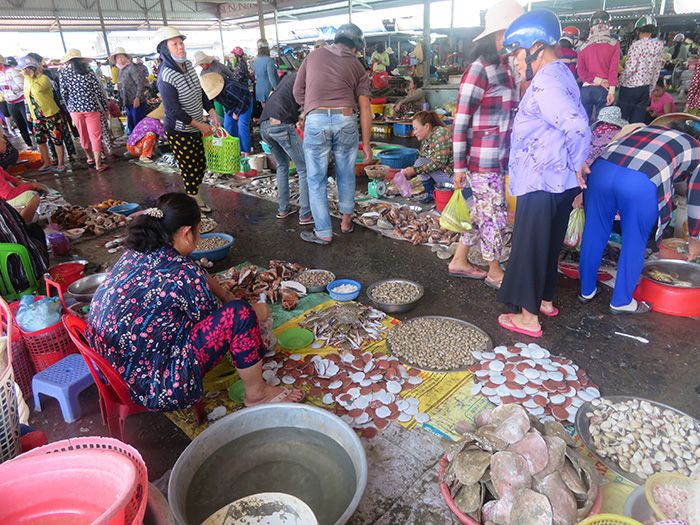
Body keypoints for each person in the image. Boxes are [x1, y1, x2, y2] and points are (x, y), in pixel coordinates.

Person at [87, 193, 303, 411]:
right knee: (240, 314)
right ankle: (257, 394)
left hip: (109, 371)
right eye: (199, 230)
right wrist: (256, 312)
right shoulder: (184, 274)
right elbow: (218, 324)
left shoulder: (136, 252)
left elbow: (191, 268)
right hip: (152, 385)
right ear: (187, 232)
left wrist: (226, 294)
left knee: (231, 307)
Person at [497, 9, 591, 338]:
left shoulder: (545, 82)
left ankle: (527, 317)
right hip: (559, 179)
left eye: (517, 54)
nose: (516, 62)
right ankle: (546, 300)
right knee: (549, 244)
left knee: (529, 246)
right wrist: (576, 164)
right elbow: (575, 122)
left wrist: (580, 159)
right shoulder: (562, 73)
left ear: (534, 46)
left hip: (541, 179)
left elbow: (577, 126)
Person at [579, 114, 700, 314]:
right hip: (640, 182)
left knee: (594, 231)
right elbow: (696, 200)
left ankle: (586, 290)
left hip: (601, 171)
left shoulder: (645, 129)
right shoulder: (696, 148)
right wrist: (696, 238)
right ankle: (621, 301)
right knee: (634, 239)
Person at [448, 0, 522, 287]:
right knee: (493, 213)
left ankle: (459, 259)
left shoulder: (510, 68)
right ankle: (494, 269)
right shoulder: (479, 69)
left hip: (503, 158)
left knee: (482, 211)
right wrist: (458, 167)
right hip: (482, 160)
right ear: (498, 34)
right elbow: (461, 120)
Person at [293, 23, 372, 245]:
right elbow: (365, 108)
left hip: (316, 121)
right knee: (345, 173)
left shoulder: (313, 55)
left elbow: (297, 90)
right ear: (355, 46)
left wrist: (310, 108)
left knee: (316, 179)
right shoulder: (357, 66)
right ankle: (346, 222)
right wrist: (366, 145)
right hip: (346, 118)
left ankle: (324, 232)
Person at [155, 26, 220, 211]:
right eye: (174, 44)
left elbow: (200, 92)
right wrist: (200, 125)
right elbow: (174, 110)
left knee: (200, 164)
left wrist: (212, 111)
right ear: (165, 49)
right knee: (190, 167)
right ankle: (195, 203)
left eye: (181, 43)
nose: (180, 47)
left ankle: (193, 195)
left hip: (196, 125)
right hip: (179, 130)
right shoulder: (165, 76)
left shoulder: (189, 66)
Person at [259, 72, 311, 223]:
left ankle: (283, 209)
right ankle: (305, 214)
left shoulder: (289, 78)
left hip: (264, 125)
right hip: (280, 124)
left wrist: (298, 119)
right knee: (304, 169)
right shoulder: (307, 79)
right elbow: (307, 105)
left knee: (282, 166)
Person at [58, 49, 110, 172]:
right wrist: (105, 107)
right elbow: (98, 91)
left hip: (74, 110)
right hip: (91, 107)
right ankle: (98, 164)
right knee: (95, 136)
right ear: (80, 59)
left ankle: (89, 158)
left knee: (83, 135)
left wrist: (69, 107)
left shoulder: (63, 73)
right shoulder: (88, 71)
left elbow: (63, 93)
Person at [18, 55, 67, 174]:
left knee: (57, 139)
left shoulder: (44, 79)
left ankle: (61, 163)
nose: (23, 72)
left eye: (26, 69)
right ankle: (47, 161)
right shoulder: (26, 81)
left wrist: (29, 78)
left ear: (33, 68)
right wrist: (28, 112)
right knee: (40, 140)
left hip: (51, 114)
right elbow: (26, 97)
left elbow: (37, 90)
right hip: (36, 116)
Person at [618, 16, 664, 123]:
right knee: (637, 121)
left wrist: (620, 81)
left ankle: (621, 138)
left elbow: (631, 68)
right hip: (645, 89)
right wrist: (651, 88)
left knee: (622, 119)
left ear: (638, 30)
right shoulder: (659, 46)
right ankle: (634, 138)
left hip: (630, 88)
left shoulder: (636, 45)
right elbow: (656, 70)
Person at [577, 10, 620, 122]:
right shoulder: (614, 44)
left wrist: (597, 80)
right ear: (608, 26)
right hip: (603, 90)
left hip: (586, 90)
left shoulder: (583, 47)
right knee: (601, 124)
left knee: (584, 122)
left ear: (591, 27)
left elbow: (581, 73)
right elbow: (613, 70)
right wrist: (611, 91)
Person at [402, 111, 453, 204]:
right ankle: (432, 194)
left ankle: (440, 193)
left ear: (426, 126)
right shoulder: (427, 138)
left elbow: (439, 162)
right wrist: (410, 171)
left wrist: (415, 171)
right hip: (442, 172)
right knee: (419, 163)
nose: (414, 133)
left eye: (416, 129)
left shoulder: (440, 134)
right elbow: (422, 158)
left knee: (418, 166)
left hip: (453, 175)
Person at [0, 198, 47, 293]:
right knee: (35, 229)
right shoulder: (2, 205)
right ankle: (42, 277)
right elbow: (22, 223)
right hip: (27, 276)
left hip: (2, 286)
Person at [200, 72, 253, 155]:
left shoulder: (230, 88)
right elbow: (211, 106)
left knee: (242, 126)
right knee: (228, 126)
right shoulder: (212, 93)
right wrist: (214, 117)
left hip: (245, 102)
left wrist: (237, 113)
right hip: (230, 106)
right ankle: (235, 150)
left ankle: (245, 151)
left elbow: (243, 100)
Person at [110, 47, 147, 131]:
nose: (121, 59)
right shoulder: (120, 70)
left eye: (122, 57)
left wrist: (137, 98)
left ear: (126, 57)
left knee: (138, 124)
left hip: (136, 101)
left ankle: (141, 142)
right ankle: (134, 142)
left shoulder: (132, 67)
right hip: (127, 102)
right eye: (118, 58)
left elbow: (140, 83)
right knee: (132, 125)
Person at [0, 55, 32, 148]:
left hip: (21, 101)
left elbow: (22, 86)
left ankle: (39, 145)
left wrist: (9, 88)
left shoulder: (12, 71)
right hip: (10, 103)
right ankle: (29, 145)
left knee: (29, 123)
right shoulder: (1, 75)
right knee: (20, 126)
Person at [253, 39, 278, 103]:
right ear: (267, 49)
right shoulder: (269, 60)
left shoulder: (255, 61)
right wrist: (277, 90)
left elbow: (255, 76)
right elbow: (271, 78)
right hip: (268, 90)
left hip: (259, 89)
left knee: (264, 110)